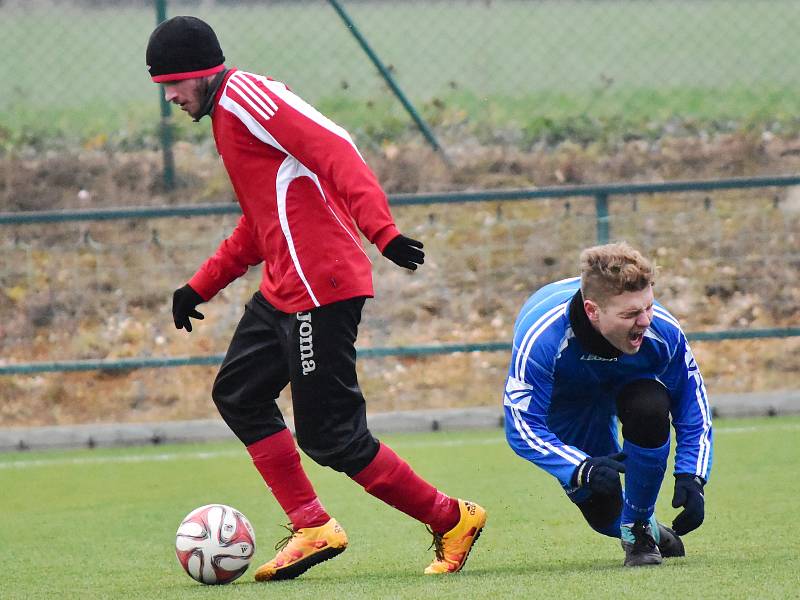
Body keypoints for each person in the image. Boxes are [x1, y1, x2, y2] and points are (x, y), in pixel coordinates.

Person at [145, 16, 485, 580]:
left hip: (320, 288)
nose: (171, 96)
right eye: (163, 87)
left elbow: (337, 149)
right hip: (283, 289)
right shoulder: (226, 120)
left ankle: (452, 518)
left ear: (203, 72)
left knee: (331, 438)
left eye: (174, 83)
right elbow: (259, 225)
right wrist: (199, 285)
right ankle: (312, 525)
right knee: (238, 394)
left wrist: (384, 232)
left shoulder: (247, 97)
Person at [503, 242, 712, 566]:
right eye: (630, 314)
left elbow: (691, 403)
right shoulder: (542, 339)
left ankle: (639, 527)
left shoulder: (662, 330)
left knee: (650, 407)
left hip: (630, 384)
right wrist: (579, 467)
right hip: (568, 401)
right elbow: (522, 426)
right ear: (592, 311)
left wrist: (693, 475)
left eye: (648, 307)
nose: (645, 321)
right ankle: (637, 525)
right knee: (603, 507)